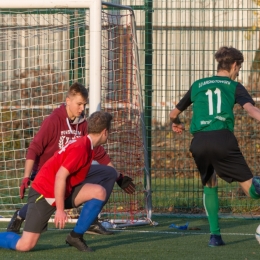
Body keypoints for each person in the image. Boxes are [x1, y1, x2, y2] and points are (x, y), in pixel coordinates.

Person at [7, 82, 135, 235]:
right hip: (47, 174)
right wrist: (26, 176)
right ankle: (20, 215)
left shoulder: (83, 125)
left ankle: (90, 221)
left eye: (84, 105)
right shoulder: (54, 121)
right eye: (79, 104)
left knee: (107, 173)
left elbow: (100, 154)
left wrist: (118, 177)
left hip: (69, 172)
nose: (82, 109)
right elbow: (34, 148)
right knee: (46, 203)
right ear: (68, 101)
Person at [169, 46, 260, 247]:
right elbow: (252, 110)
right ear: (235, 65)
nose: (238, 71)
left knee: (210, 185)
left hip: (199, 142)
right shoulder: (234, 85)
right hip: (223, 139)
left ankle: (215, 237)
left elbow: (173, 114)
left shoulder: (198, 85)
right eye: (239, 67)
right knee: (251, 191)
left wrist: (177, 123)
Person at [0, 111, 115, 252]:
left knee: (99, 192)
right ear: (105, 132)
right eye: (110, 131)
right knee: (25, 245)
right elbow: (60, 176)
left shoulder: (87, 145)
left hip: (62, 190)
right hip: (44, 194)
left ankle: (75, 236)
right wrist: (60, 210)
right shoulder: (80, 148)